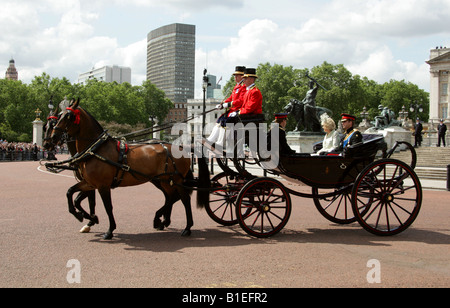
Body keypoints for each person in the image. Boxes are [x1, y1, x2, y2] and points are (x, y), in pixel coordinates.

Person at [206, 66, 247, 145]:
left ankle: (220, 143)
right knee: (219, 120)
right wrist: (221, 105)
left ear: (242, 76)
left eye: (237, 75)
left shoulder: (243, 86)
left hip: (238, 110)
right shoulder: (237, 86)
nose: (235, 77)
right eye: (235, 75)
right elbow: (231, 97)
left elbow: (241, 101)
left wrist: (227, 104)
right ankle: (211, 139)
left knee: (224, 122)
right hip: (232, 110)